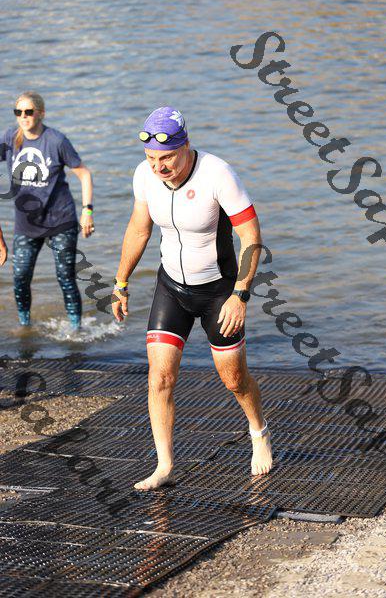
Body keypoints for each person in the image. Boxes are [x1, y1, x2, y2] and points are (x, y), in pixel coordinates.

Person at [112, 106, 272, 490]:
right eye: (151, 158)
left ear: (186, 145)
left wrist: (240, 295)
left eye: (166, 158)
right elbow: (139, 229)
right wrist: (120, 283)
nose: (159, 167)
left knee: (234, 380)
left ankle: (259, 431)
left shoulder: (218, 174)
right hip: (171, 288)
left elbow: (251, 237)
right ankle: (164, 465)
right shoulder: (144, 175)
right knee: (160, 377)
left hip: (219, 292)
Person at [0, 91, 94, 329]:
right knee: (20, 278)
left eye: (29, 111)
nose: (23, 116)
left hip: (60, 220)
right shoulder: (10, 138)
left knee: (65, 277)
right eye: (18, 112)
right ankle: (25, 326)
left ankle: (75, 330)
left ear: (41, 113)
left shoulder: (56, 140)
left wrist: (87, 211)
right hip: (26, 224)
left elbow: (84, 173)